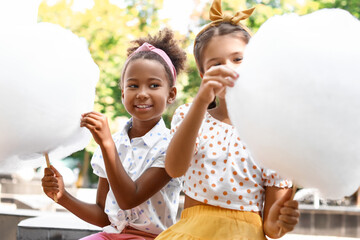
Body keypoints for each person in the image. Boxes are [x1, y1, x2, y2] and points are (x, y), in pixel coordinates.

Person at [155, 1, 300, 240]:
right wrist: (201, 102)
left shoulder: (273, 134)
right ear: (203, 75)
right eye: (216, 64)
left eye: (238, 59)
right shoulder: (190, 116)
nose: (228, 69)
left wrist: (283, 220)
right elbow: (174, 168)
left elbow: (272, 229)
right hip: (191, 231)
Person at [42, 28, 187, 240]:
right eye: (133, 85)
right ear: (123, 94)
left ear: (171, 94)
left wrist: (107, 144)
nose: (142, 93)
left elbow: (130, 198)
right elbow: (103, 216)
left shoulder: (172, 147)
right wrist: (62, 196)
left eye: (154, 85)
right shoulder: (113, 142)